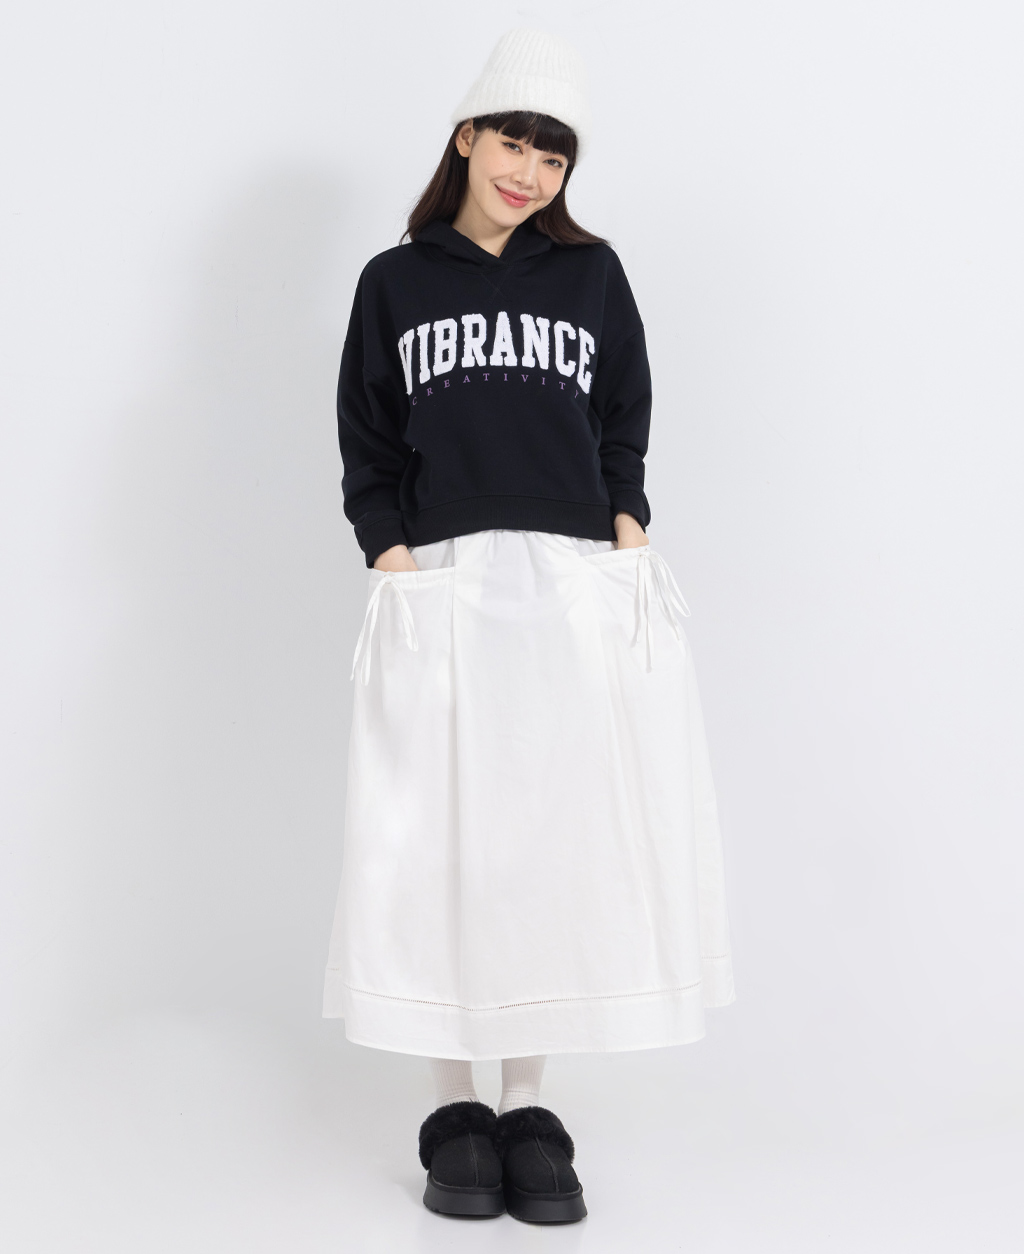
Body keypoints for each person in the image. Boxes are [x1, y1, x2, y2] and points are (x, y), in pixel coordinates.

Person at [323, 27, 734, 1225]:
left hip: (570, 578)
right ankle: (455, 1107)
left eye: (554, 156)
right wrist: (392, 553)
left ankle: (529, 1107)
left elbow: (623, 414)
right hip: (441, 575)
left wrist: (625, 529)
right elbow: (367, 435)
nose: (530, 172)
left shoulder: (589, 276)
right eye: (515, 142)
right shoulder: (394, 282)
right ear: (467, 137)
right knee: (436, 834)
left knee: (555, 836)